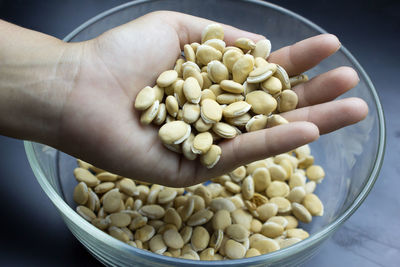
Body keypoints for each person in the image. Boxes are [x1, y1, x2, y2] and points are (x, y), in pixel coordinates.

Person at [0, 11, 368, 186]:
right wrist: (68, 82)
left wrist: (65, 80)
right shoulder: (183, 94)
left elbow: (236, 103)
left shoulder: (229, 90)